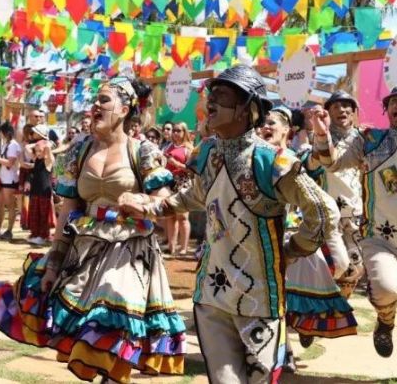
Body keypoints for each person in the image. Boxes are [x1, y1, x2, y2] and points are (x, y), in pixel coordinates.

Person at [118, 65, 340, 384]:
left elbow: (323, 210)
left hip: (260, 298)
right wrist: (146, 206)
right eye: (212, 94)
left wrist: (293, 250)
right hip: (212, 296)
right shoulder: (207, 153)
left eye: (222, 95)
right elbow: (187, 199)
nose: (211, 102)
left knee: (261, 380)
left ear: (246, 108)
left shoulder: (273, 160)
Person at [0, 76, 186, 383]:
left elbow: (163, 203)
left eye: (104, 100)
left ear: (125, 109)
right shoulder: (79, 151)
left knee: (110, 319)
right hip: (84, 251)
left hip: (127, 251)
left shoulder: (142, 151)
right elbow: (68, 210)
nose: (95, 105)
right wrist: (54, 260)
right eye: (95, 99)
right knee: (87, 329)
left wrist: (141, 201)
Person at [259, 106, 355, 370]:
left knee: (342, 263)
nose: (266, 127)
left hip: (298, 238)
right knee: (274, 296)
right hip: (263, 238)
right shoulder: (254, 159)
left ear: (288, 131)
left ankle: (304, 320)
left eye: (273, 123)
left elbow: (317, 158)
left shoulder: (296, 157)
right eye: (263, 123)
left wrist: (321, 132)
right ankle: (284, 351)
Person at [312, 86, 397, 358]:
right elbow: (331, 162)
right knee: (384, 288)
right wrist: (322, 133)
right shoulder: (371, 140)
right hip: (378, 236)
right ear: (388, 110)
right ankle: (385, 321)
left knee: (350, 272)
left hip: (354, 217)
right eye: (393, 101)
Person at [316, 90, 365, 299]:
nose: (341, 110)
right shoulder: (320, 139)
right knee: (334, 263)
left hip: (356, 212)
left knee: (356, 265)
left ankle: (341, 304)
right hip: (329, 213)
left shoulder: (366, 139)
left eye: (346, 106)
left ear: (354, 112)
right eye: (335, 106)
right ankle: (326, 304)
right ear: (328, 113)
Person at [163, 122, 193, 256]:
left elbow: (191, 169)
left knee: (183, 217)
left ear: (184, 132)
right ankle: (171, 246)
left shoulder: (188, 148)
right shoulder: (168, 146)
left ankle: (184, 248)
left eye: (178, 130)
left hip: (183, 183)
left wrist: (176, 164)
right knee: (170, 216)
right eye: (174, 130)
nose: (175, 133)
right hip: (169, 182)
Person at [25, 125, 54, 246]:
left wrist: (45, 143)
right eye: (36, 151)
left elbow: (48, 148)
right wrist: (37, 145)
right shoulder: (36, 160)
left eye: (39, 151)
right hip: (35, 190)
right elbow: (27, 147)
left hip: (44, 191)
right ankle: (35, 234)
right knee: (34, 213)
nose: (37, 153)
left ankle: (43, 235)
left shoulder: (48, 161)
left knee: (43, 215)